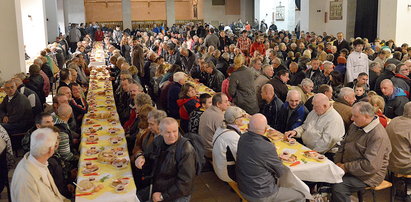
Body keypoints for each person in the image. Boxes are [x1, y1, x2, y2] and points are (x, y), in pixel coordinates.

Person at [236, 113, 305, 202]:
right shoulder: (267, 146)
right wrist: (277, 159)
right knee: (301, 195)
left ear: (248, 126)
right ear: (265, 130)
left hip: (243, 186)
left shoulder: (243, 137)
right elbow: (280, 172)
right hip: (260, 194)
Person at [332, 102, 391, 202]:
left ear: (367, 117)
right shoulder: (355, 125)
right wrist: (337, 162)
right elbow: (343, 144)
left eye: (355, 116)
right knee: (326, 175)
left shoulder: (378, 135)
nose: (351, 119)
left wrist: (345, 167)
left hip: (369, 175)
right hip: (350, 167)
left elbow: (370, 165)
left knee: (339, 187)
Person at [138, 117, 196, 202]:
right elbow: (148, 155)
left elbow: (185, 182)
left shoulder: (186, 150)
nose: (172, 136)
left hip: (177, 194)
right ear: (160, 132)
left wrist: (163, 196)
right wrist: (140, 157)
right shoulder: (158, 141)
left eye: (175, 131)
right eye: (168, 132)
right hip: (159, 186)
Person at [11, 128, 66, 201]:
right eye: (56, 143)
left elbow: (55, 195)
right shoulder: (25, 179)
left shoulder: (39, 162)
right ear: (51, 149)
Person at [212, 106, 244, 182]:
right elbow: (240, 158)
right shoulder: (232, 137)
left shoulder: (221, 128)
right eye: (241, 116)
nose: (243, 118)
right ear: (235, 121)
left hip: (217, 165)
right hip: (227, 173)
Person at [199, 93, 229, 159]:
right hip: (210, 151)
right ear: (218, 104)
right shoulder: (219, 117)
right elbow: (225, 137)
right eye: (226, 102)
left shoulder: (207, 111)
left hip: (202, 146)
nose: (228, 104)